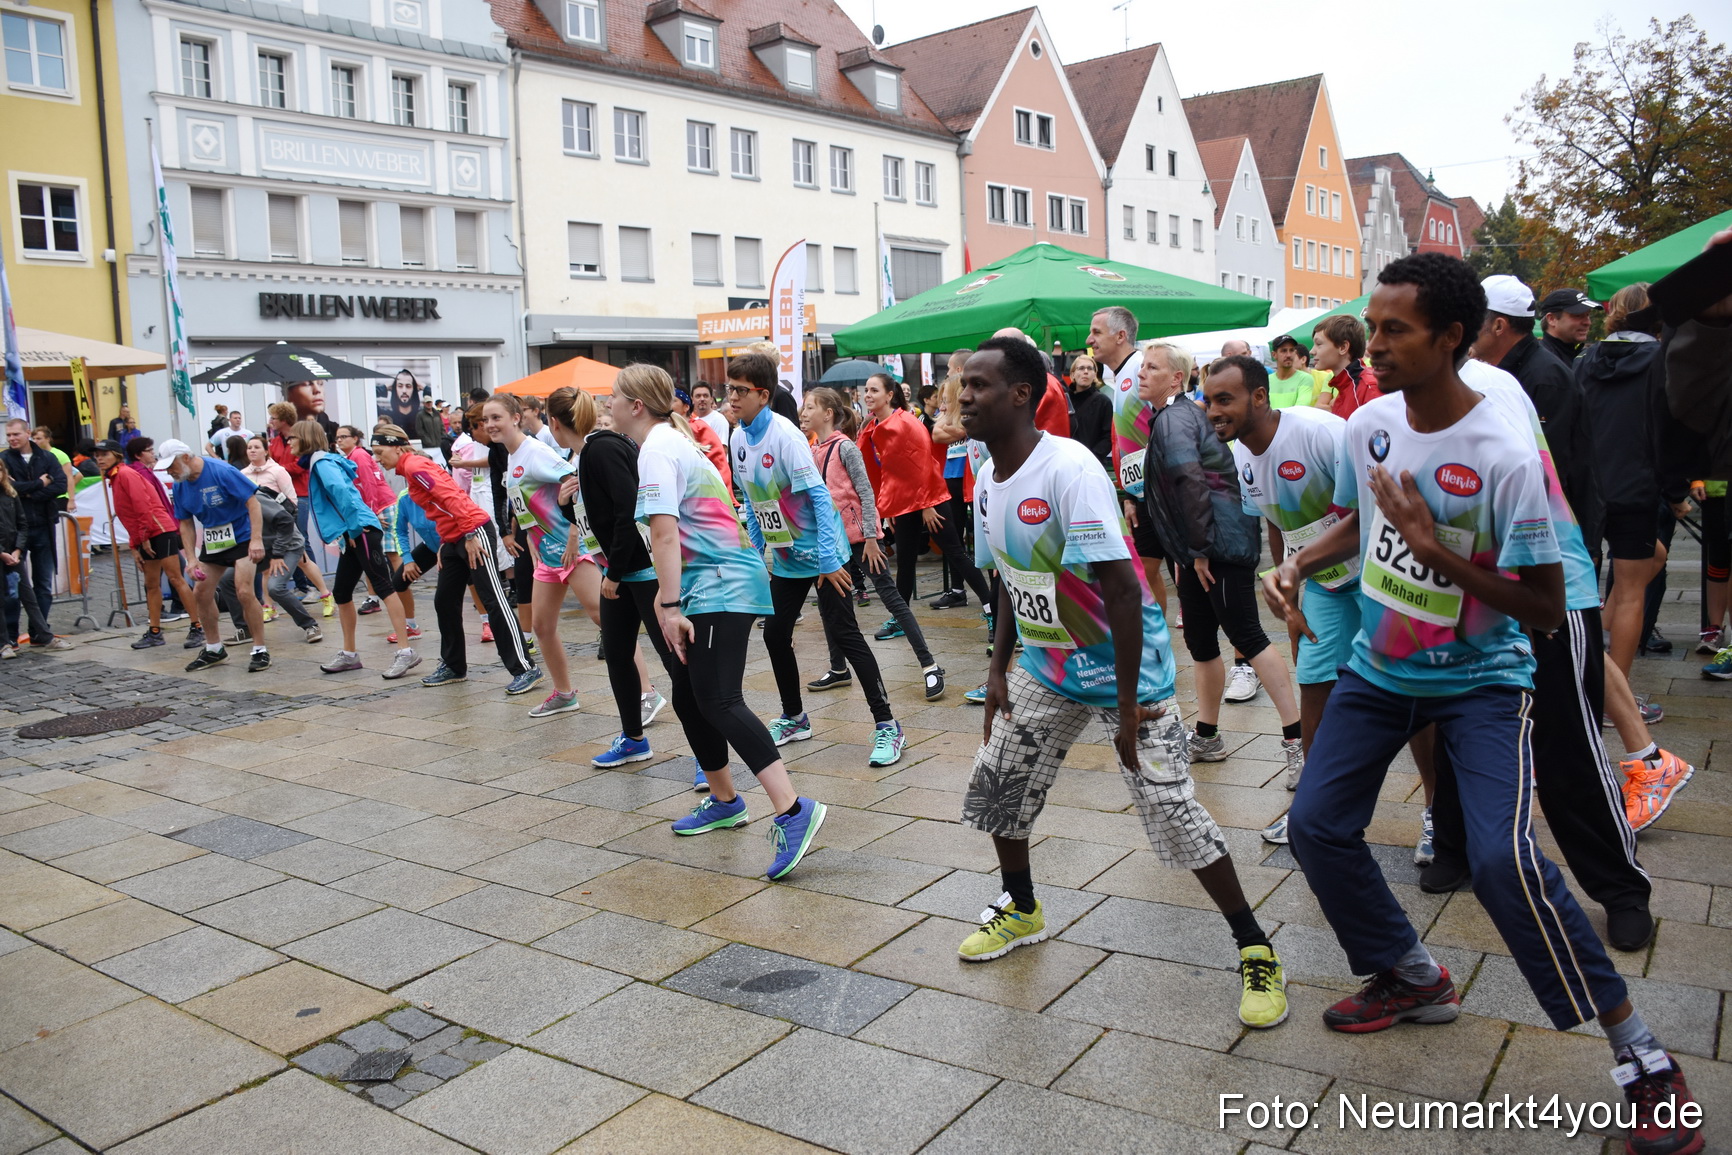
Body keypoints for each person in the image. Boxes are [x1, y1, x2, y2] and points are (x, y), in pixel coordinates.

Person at [1266, 253, 1700, 1155]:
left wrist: (1439, 552)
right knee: (1315, 824)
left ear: (1453, 338)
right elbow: (1365, 517)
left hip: (1483, 683)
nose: (1373, 348)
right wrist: (1303, 560)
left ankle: (1641, 1053)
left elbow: (1544, 607)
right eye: (1372, 328)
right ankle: (1412, 972)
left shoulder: (1504, 455)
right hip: (1379, 672)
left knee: (1504, 865)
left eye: (1395, 331)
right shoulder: (1372, 421)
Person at [955, 336, 1288, 1029]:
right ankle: (1021, 906)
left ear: (1021, 394)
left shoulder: (1069, 469)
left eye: (978, 385)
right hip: (1046, 668)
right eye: (963, 384)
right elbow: (1017, 579)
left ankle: (1255, 946)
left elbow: (1124, 591)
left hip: (1126, 673)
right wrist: (996, 667)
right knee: (998, 781)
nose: (963, 396)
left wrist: (1133, 704)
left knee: (1171, 809)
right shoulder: (988, 476)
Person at [1415, 356, 1681, 951]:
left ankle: (1621, 888)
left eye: (1395, 330)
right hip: (1462, 596)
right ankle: (1455, 849)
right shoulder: (1398, 405)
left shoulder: (1486, 385)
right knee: (1459, 722)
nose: (1377, 347)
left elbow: (1523, 492)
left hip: (1548, 592)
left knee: (1566, 743)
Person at [608, 363, 827, 880]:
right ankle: (726, 800)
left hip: (719, 585)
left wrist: (667, 607)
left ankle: (794, 810)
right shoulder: (664, 442)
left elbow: (664, 536)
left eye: (613, 396)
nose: (607, 404)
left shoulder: (659, 448)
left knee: (720, 700)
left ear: (636, 405)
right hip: (715, 582)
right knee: (687, 694)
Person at [728, 354, 906, 767]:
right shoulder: (738, 439)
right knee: (774, 635)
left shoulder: (786, 437)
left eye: (740, 390)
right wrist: (758, 556)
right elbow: (754, 504)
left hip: (826, 555)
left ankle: (887, 725)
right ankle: (794, 718)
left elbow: (821, 499)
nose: (731, 397)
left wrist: (829, 561)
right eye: (729, 389)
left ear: (763, 395)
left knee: (846, 637)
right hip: (788, 559)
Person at [1139, 348, 1305, 786]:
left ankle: (1297, 742)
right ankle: (1207, 736)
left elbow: (1190, 480)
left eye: (1152, 368)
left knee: (1247, 636)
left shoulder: (1175, 418)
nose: (1142, 374)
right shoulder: (1174, 416)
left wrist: (1197, 549)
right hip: (1202, 548)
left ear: (1176, 379)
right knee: (1200, 642)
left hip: (1217, 547)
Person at [368, 426, 538, 693]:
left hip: (472, 531)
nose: (377, 459)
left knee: (493, 599)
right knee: (444, 601)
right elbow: (441, 505)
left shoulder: (413, 465)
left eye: (379, 452)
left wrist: (470, 533)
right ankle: (454, 666)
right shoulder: (412, 467)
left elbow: (451, 497)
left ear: (398, 447)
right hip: (453, 538)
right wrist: (445, 541)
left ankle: (526, 669)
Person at [803, 386, 945, 700]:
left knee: (892, 600)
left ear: (828, 413)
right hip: (831, 542)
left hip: (860, 539)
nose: (803, 412)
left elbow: (867, 494)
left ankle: (930, 666)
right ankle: (838, 669)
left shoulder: (845, 448)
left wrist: (871, 537)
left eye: (810, 406)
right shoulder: (813, 450)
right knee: (831, 605)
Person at [1578, 284, 1673, 695]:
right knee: (1633, 590)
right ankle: (1615, 697)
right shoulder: (1662, 361)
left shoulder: (1585, 360)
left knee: (1655, 558)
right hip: (1636, 485)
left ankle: (1595, 654)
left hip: (1590, 487)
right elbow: (1670, 429)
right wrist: (1678, 490)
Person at [1474, 276, 1603, 560]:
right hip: (1529, 528)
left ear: (1498, 326)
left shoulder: (1543, 377)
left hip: (1551, 535)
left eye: (1473, 319)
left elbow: (1546, 470)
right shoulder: (1514, 369)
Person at [857, 370, 993, 614]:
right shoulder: (872, 427)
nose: (868, 395)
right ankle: (901, 617)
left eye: (874, 390)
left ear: (889, 395)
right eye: (866, 390)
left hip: (929, 500)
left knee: (955, 553)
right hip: (904, 503)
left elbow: (925, 463)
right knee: (906, 560)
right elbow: (885, 474)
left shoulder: (907, 422)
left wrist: (928, 505)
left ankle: (990, 608)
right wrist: (889, 508)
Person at [291, 421, 419, 680]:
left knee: (383, 587)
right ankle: (349, 654)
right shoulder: (321, 460)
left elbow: (343, 494)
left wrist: (353, 528)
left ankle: (406, 651)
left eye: (292, 438)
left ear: (305, 438)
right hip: (355, 530)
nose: (289, 442)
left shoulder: (321, 463)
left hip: (360, 530)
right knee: (341, 592)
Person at [162, 438, 271, 673]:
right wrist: (191, 558)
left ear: (187, 458)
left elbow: (253, 504)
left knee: (243, 590)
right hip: (215, 540)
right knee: (200, 591)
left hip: (242, 536)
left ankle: (260, 649)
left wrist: (256, 539)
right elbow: (185, 523)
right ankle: (214, 649)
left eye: (172, 466)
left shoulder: (221, 471)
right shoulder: (181, 483)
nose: (170, 472)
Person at [1094, 306, 1169, 620]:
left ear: (1120, 335)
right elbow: (1126, 440)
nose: (1090, 339)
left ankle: (1148, 641)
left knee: (1140, 571)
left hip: (1161, 490)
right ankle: (1157, 638)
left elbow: (1169, 420)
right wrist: (1130, 496)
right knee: (1146, 573)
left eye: (1097, 332)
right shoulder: (1120, 375)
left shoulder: (1141, 368)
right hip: (1142, 492)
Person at [93, 440, 198, 651]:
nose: (99, 458)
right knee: (151, 584)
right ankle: (155, 631)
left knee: (176, 578)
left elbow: (142, 506)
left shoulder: (125, 474)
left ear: (116, 454)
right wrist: (135, 544)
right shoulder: (115, 476)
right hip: (146, 533)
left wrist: (142, 537)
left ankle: (198, 626)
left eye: (104, 453)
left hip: (159, 530)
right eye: (97, 454)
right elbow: (127, 514)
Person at [214, 485, 323, 646]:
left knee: (275, 587)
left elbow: (286, 520)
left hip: (287, 546)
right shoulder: (224, 504)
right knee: (227, 579)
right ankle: (245, 629)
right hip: (261, 547)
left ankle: (310, 625)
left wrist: (278, 554)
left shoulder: (254, 498)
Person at [266, 401, 333, 612]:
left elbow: (298, 466)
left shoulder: (297, 439)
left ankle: (314, 586)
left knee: (301, 540)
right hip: (279, 497)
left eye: (274, 418)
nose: (270, 422)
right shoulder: (275, 441)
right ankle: (302, 586)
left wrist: (276, 470)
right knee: (286, 541)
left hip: (300, 494)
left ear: (283, 420)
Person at [2, 418, 66, 638]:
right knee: (12, 585)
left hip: (43, 526)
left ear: (27, 433)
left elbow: (60, 485)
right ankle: (10, 637)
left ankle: (38, 631)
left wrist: (26, 492)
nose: (11, 438)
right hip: (15, 530)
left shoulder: (46, 457)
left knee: (43, 584)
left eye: (15, 434)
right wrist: (39, 484)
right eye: (8, 435)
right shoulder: (4, 459)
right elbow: (9, 488)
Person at [336, 425, 395, 616]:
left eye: (344, 436)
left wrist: (373, 513)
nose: (340, 440)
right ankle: (375, 598)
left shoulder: (359, 455)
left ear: (355, 438)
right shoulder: (351, 457)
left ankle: (401, 591)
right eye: (337, 437)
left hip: (380, 507)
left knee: (392, 554)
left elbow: (368, 485)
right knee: (371, 555)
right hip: (374, 509)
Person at [928, 359, 972, 610]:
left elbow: (960, 429)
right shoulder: (948, 415)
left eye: (945, 398)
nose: (941, 404)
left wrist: (954, 427)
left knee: (975, 535)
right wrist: (956, 427)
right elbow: (937, 434)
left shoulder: (965, 412)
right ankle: (957, 589)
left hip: (968, 479)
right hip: (950, 478)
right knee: (954, 536)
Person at [1314, 314, 1381, 419]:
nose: (1312, 351)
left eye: (1318, 344)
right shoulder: (1345, 386)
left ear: (1343, 347)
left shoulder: (1368, 387)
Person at [1065, 354, 1112, 473]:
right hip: (1067, 464)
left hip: (1093, 466)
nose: (1086, 371)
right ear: (1073, 374)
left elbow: (1108, 437)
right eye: (1081, 368)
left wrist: (1091, 458)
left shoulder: (1103, 402)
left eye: (1090, 368)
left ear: (1094, 375)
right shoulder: (1064, 400)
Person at [1538, 287, 1601, 364]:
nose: (1587, 322)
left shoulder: (1579, 357)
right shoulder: (1543, 361)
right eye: (1578, 315)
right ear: (1552, 319)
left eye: (1587, 315)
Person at [1266, 334, 1322, 410]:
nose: (1288, 355)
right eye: (1284, 351)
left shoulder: (1305, 378)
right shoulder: (1266, 380)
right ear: (1274, 355)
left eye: (1291, 350)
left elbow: (1300, 410)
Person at [415, 393, 447, 457]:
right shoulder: (420, 415)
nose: (429, 404)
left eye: (430, 402)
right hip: (428, 446)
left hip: (440, 444)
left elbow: (442, 426)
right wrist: (428, 441)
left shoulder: (437, 413)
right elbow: (419, 430)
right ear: (424, 404)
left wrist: (443, 438)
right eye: (427, 402)